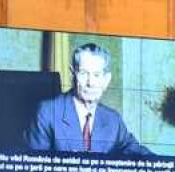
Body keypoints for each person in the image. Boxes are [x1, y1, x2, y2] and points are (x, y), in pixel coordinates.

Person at [24, 43, 152, 155]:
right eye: (84, 73)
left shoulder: (113, 120)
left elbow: (139, 153)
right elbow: (35, 168)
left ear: (106, 80)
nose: (90, 83)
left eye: (96, 75)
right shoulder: (47, 113)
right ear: (72, 74)